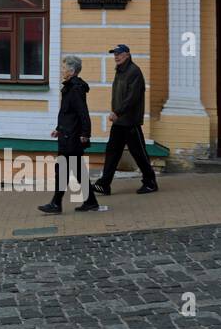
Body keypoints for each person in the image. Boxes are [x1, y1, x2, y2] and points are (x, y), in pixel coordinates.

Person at [92, 45, 157, 195]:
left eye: (119, 54)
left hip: (130, 122)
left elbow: (132, 98)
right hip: (119, 121)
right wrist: (116, 114)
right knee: (112, 152)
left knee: (138, 153)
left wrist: (117, 112)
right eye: (114, 54)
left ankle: (150, 182)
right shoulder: (120, 71)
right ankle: (104, 184)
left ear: (127, 54)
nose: (116, 56)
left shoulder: (134, 72)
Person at [39, 55, 100, 214]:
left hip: (72, 137)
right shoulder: (70, 87)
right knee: (77, 170)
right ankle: (90, 202)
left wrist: (85, 133)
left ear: (72, 71)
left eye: (64, 68)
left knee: (63, 169)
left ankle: (56, 204)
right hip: (67, 134)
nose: (62, 70)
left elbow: (82, 113)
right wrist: (59, 128)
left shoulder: (74, 89)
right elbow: (67, 114)